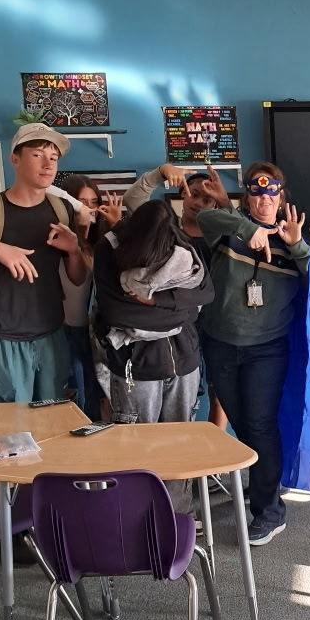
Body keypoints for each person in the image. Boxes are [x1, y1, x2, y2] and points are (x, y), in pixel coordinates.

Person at [196, 162, 310, 545]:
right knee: (244, 428)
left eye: (272, 192)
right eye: (257, 192)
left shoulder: (294, 236)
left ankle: (269, 511)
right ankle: (265, 483)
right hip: (220, 343)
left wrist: (294, 245)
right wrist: (249, 230)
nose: (265, 199)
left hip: (267, 348)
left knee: (260, 426)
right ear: (247, 195)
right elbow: (207, 219)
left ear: (282, 196)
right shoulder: (230, 227)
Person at [93, 199, 214, 511]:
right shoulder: (110, 248)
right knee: (135, 443)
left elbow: (206, 293)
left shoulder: (179, 240)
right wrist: (179, 310)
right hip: (136, 365)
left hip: (184, 360)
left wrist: (153, 300)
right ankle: (136, 515)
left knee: (180, 441)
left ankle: (180, 514)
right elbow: (116, 311)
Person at [0, 123, 87, 402]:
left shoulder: (61, 210)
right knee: (9, 431)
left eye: (53, 158)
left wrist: (74, 252)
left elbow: (77, 278)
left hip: (51, 334)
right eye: (37, 155)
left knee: (51, 421)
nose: (48, 165)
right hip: (2, 337)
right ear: (15, 159)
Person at [123, 162, 226, 428]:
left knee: (219, 394)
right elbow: (134, 199)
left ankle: (214, 464)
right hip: (175, 327)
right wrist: (160, 173)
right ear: (183, 193)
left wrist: (224, 201)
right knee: (176, 400)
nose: (198, 202)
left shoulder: (222, 237)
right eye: (194, 194)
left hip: (215, 325)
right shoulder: (165, 230)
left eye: (207, 199)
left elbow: (246, 231)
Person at [60, 174, 122, 418]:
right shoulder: (58, 238)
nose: (88, 208)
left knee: (99, 402)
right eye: (80, 201)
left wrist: (117, 225)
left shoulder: (104, 242)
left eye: (93, 202)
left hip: (97, 334)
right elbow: (50, 193)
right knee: (72, 402)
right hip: (64, 332)